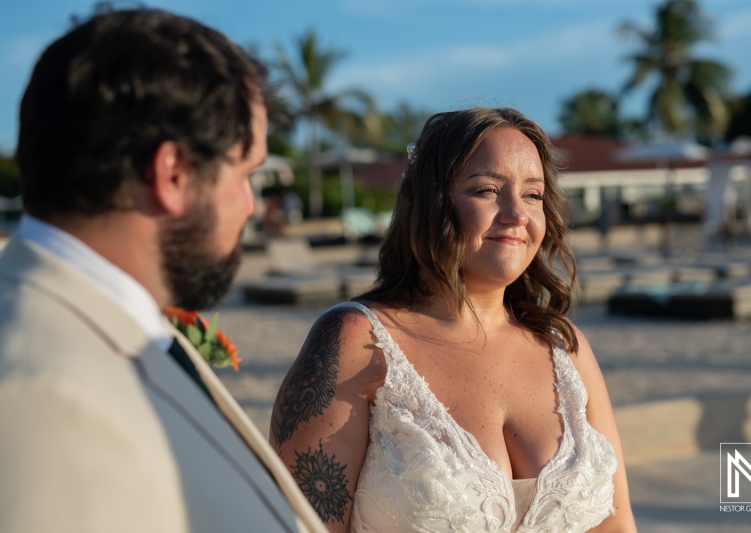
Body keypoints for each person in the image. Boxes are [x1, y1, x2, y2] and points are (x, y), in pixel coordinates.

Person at [0, 7, 325, 533]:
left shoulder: (119, 329)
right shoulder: (39, 398)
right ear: (172, 174)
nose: (249, 203)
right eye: (246, 171)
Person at [270, 108, 637, 532]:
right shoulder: (356, 340)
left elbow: (618, 524)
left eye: (533, 194)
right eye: (486, 190)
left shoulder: (565, 348)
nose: (517, 213)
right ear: (430, 201)